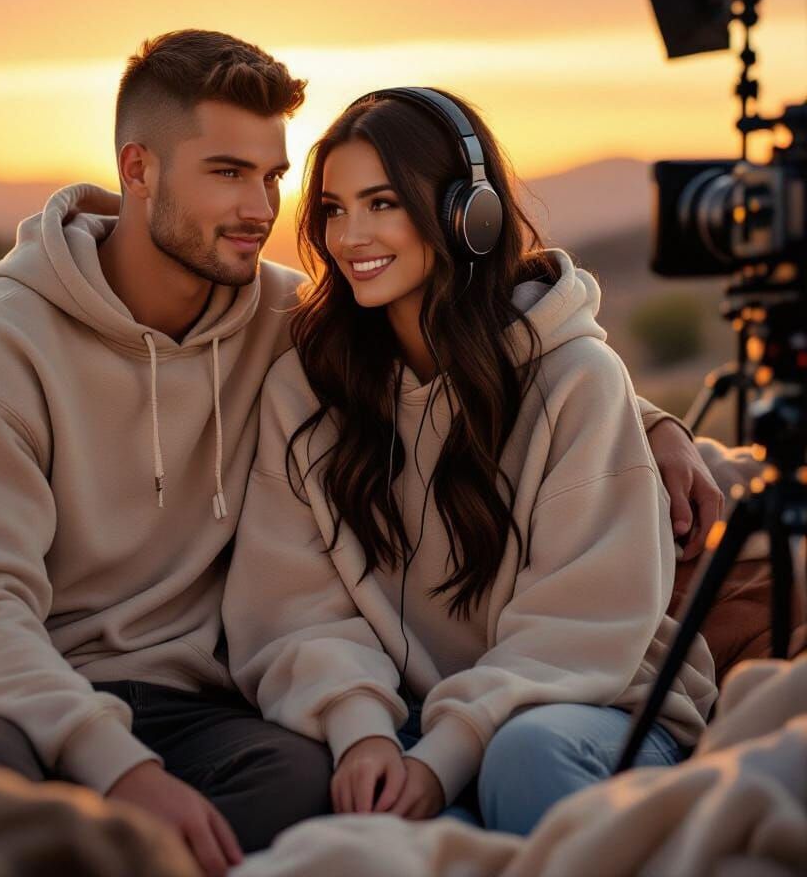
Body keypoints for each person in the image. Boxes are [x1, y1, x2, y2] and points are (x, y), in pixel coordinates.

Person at [0, 33, 721, 872]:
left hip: (198, 706)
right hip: (12, 694)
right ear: (138, 170)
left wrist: (654, 426)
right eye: (227, 172)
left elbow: (515, 362)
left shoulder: (284, 320)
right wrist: (120, 767)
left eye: (274, 178)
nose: (261, 209)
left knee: (305, 780)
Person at [222, 87, 718, 838]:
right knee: (371, 829)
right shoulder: (306, 386)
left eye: (383, 203)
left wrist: (446, 752)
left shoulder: (575, 377)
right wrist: (361, 733)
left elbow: (579, 624)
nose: (352, 235)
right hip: (420, 724)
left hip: (598, 707)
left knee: (521, 757)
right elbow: (293, 605)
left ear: (468, 214)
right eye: (333, 208)